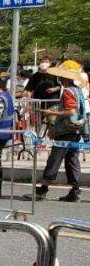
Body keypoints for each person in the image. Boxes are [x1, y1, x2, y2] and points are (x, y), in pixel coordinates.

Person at [33, 60, 86, 202]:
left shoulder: (68, 91)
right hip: (76, 130)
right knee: (72, 160)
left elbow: (70, 111)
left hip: (66, 131)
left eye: (60, 76)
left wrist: (49, 112)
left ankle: (42, 190)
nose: (58, 79)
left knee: (55, 159)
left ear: (64, 77)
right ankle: (75, 191)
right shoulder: (78, 90)